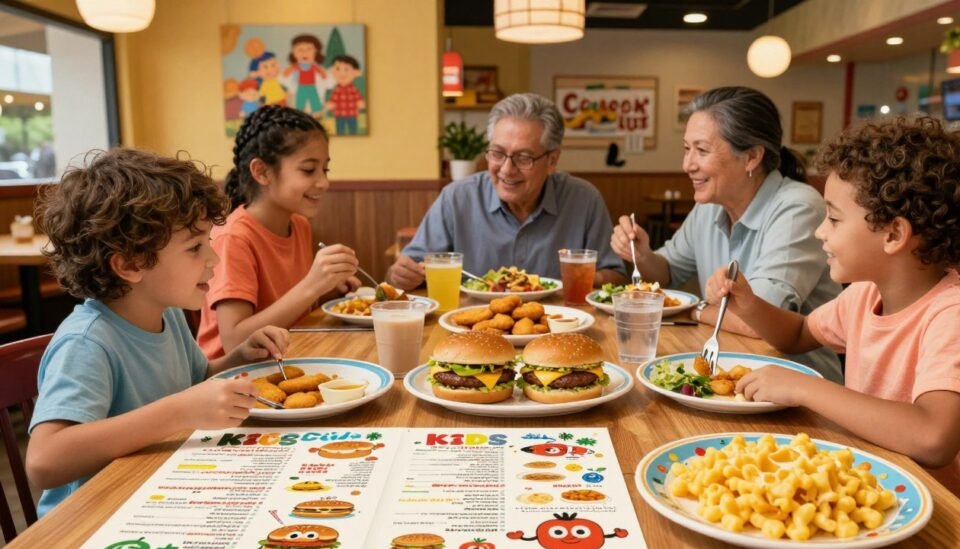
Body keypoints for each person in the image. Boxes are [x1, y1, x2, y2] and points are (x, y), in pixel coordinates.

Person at [704, 117, 960, 522]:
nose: (820, 232)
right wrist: (749, 302)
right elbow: (798, 334)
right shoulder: (865, 294)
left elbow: (934, 437)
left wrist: (805, 388)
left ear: (893, 235)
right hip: (873, 498)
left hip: (947, 521)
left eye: (833, 219)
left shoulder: (957, 316)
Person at [26, 148, 289, 516]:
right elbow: (44, 461)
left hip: (157, 496)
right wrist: (178, 413)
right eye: (195, 247)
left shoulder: (169, 314)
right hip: (92, 522)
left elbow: (195, 380)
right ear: (130, 264)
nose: (213, 258)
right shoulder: (87, 343)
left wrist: (240, 356)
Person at [611, 86, 841, 382]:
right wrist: (642, 254)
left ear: (751, 157)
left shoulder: (797, 207)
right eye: (687, 148)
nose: (687, 165)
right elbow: (666, 273)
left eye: (702, 150)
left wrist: (694, 309)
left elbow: (756, 320)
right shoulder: (709, 205)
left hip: (798, 387)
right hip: (727, 374)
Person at [388, 93, 626, 290]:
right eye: (497, 153)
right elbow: (402, 272)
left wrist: (583, 277)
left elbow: (617, 275)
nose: (507, 169)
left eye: (524, 157)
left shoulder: (584, 199)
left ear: (552, 160)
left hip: (562, 324)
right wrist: (399, 276)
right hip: (471, 325)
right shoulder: (457, 198)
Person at [197, 105, 361, 358]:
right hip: (236, 374)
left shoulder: (299, 225)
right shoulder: (234, 237)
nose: (324, 182)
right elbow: (234, 341)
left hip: (288, 357)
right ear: (262, 172)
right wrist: (312, 286)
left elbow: (289, 308)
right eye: (309, 170)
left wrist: (327, 287)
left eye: (325, 169)